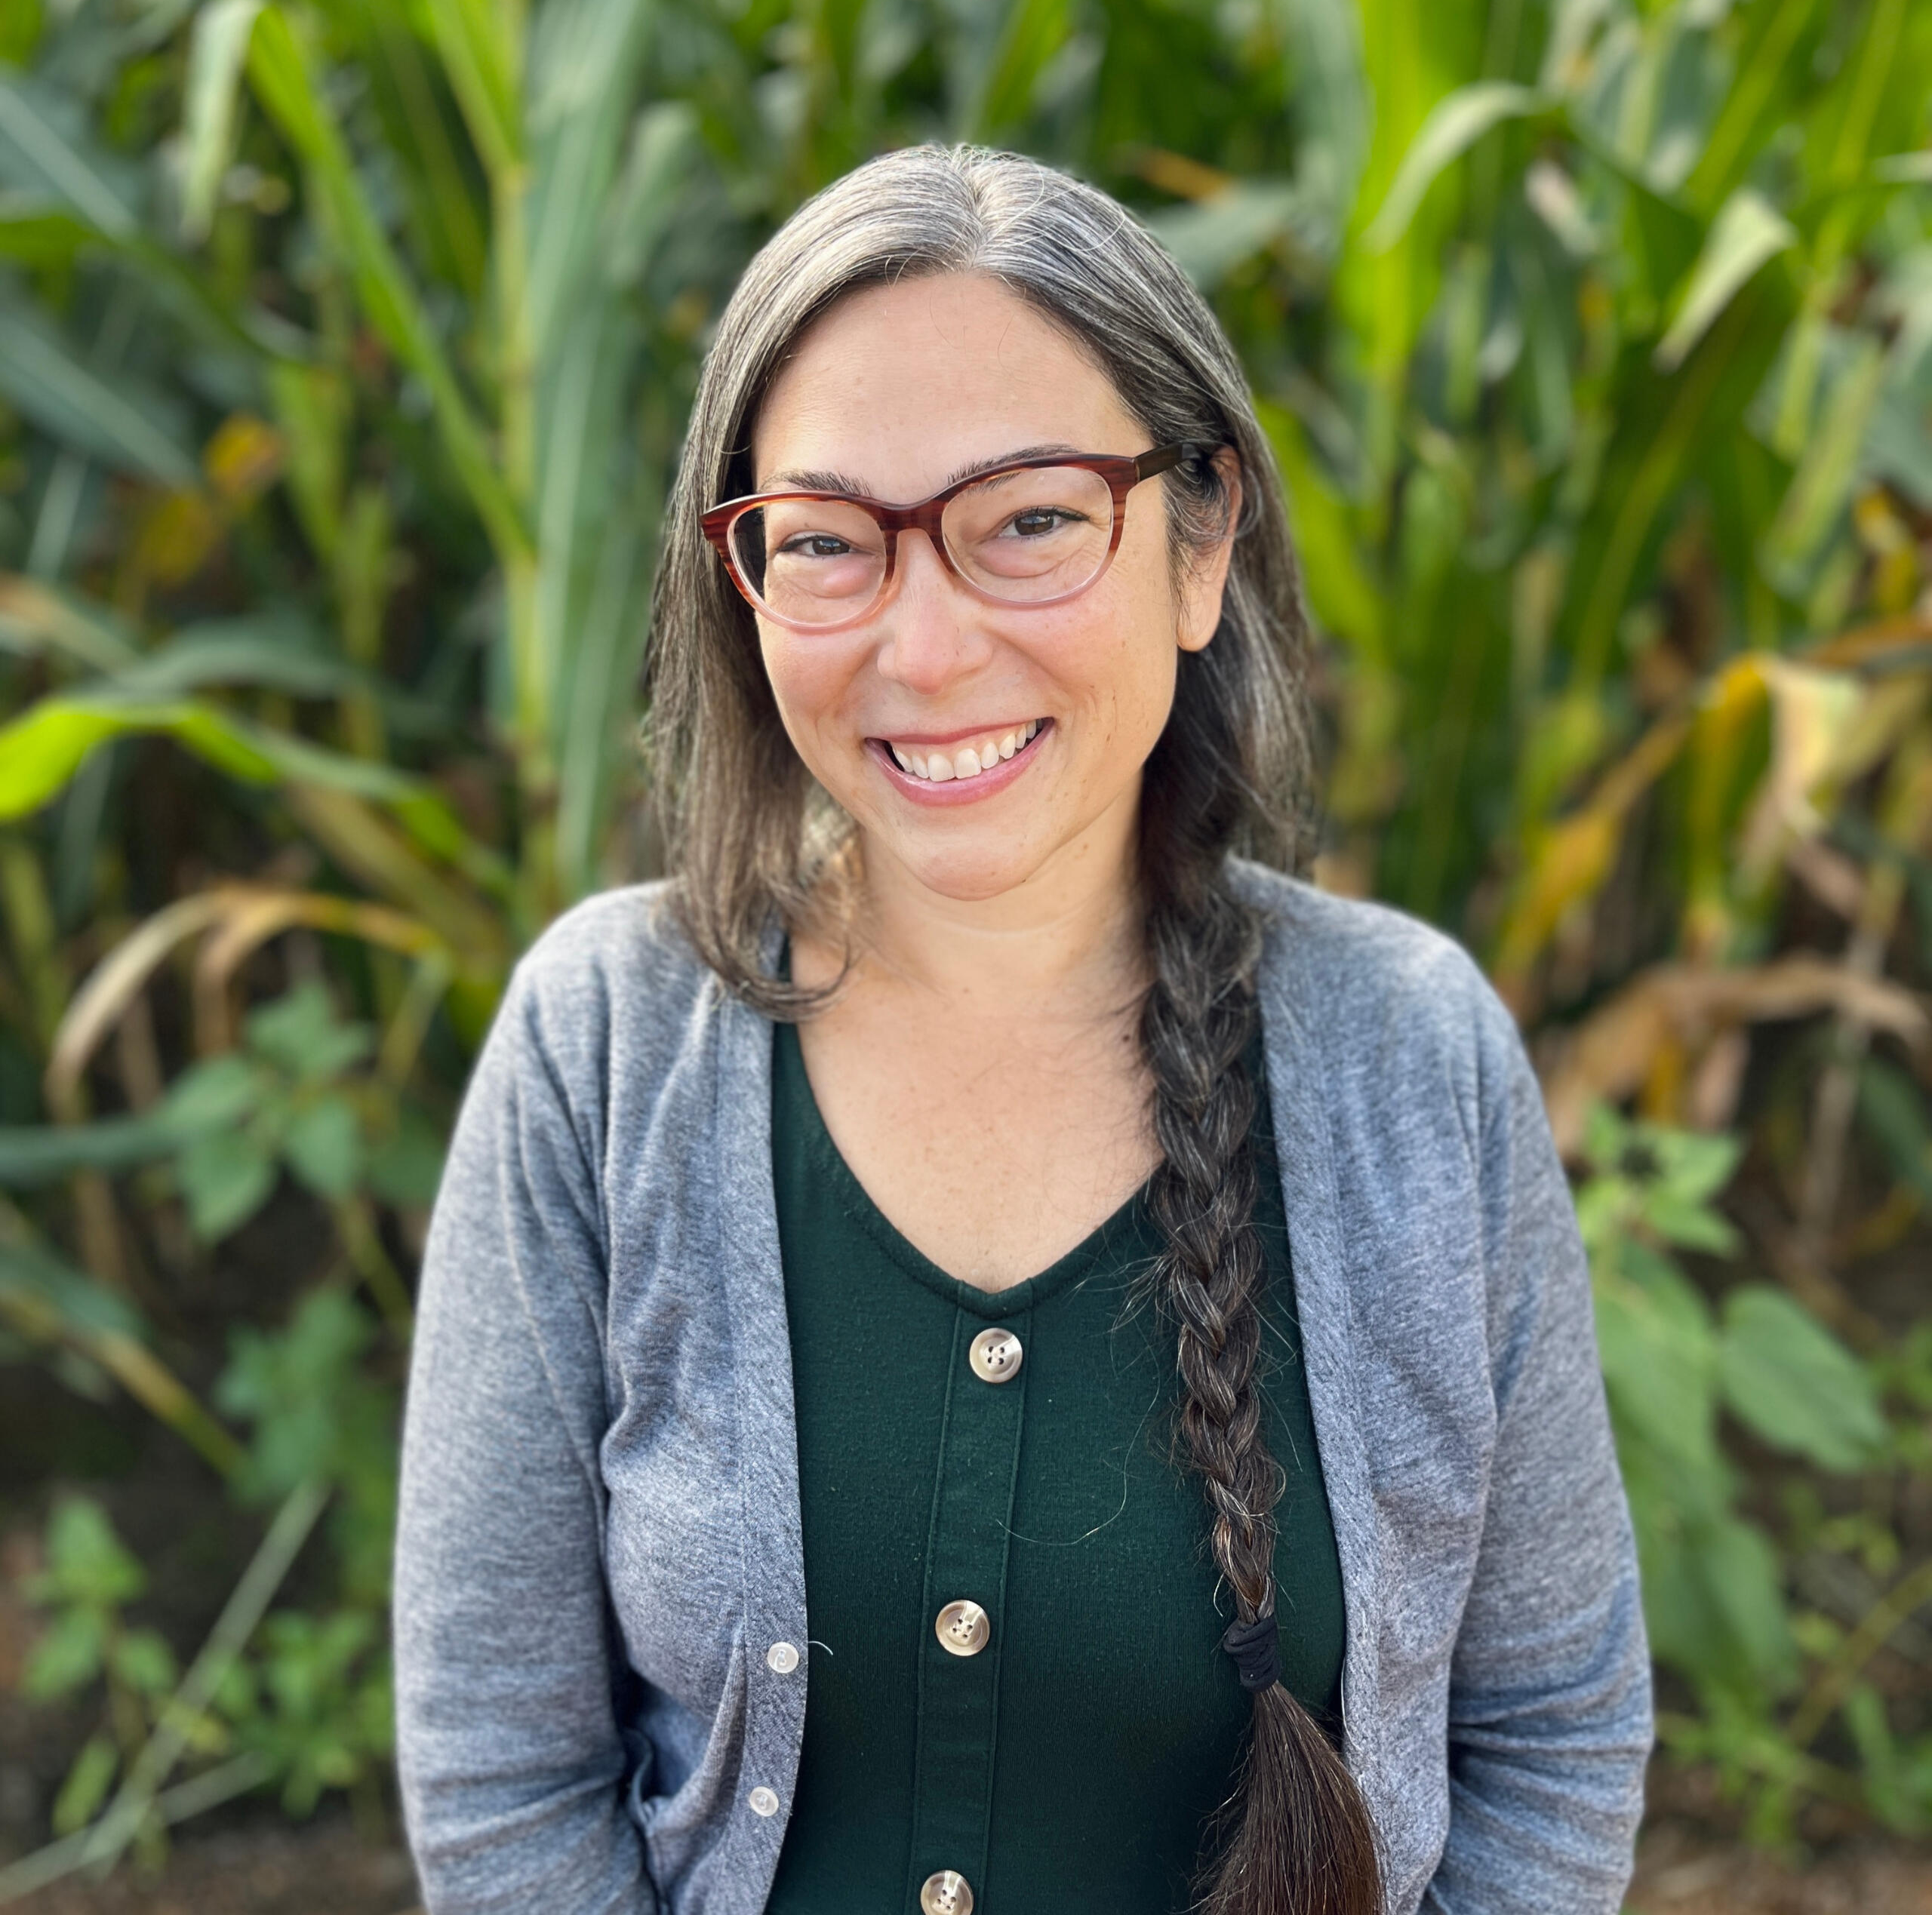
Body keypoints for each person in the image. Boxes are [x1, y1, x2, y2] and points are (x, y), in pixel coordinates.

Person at [393, 145, 1652, 1915]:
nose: (922, 645)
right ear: (741, 581)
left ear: (1199, 543)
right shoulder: (602, 1048)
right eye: (824, 540)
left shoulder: (1408, 1057)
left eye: (1032, 520)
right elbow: (502, 1774)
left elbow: (1551, 1732)